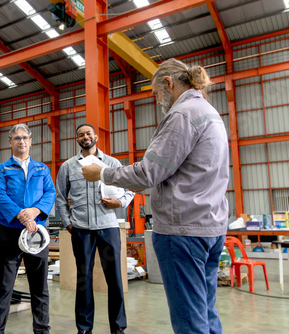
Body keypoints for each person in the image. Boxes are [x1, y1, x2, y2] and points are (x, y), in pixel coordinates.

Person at [81, 58, 229, 334]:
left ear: (168, 83)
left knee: (190, 320)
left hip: (183, 231)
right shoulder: (209, 112)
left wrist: (102, 174)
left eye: (156, 93)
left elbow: (148, 173)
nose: (157, 99)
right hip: (211, 226)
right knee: (206, 311)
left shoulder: (181, 115)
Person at [56, 124, 134, 334]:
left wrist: (120, 203)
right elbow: (61, 198)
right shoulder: (69, 166)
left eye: (88, 133)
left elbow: (129, 189)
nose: (85, 137)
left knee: (114, 279)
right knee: (84, 280)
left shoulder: (111, 163)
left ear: (96, 137)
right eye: (80, 134)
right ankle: (84, 328)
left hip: (108, 228)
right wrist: (68, 223)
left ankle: (118, 328)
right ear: (77, 139)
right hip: (81, 230)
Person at [0, 124, 56, 334]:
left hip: (36, 233)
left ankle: (42, 330)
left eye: (25, 138)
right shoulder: (2, 169)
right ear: (10, 142)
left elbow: (50, 192)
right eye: (17, 138)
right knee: (3, 286)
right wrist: (20, 215)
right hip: (10, 232)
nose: (21, 141)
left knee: (39, 287)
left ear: (30, 141)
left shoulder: (41, 169)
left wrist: (35, 212)